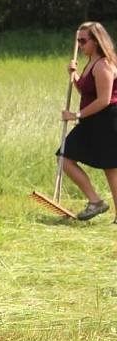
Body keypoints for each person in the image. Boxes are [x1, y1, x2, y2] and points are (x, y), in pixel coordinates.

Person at [59, 21, 117, 221]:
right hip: (93, 119)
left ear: (96, 41)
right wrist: (74, 76)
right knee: (64, 157)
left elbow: (104, 100)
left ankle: (100, 205)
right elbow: (87, 91)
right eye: (78, 41)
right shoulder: (91, 61)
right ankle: (96, 201)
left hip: (107, 118)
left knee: (110, 166)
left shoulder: (103, 65)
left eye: (83, 41)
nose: (80, 45)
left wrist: (76, 115)